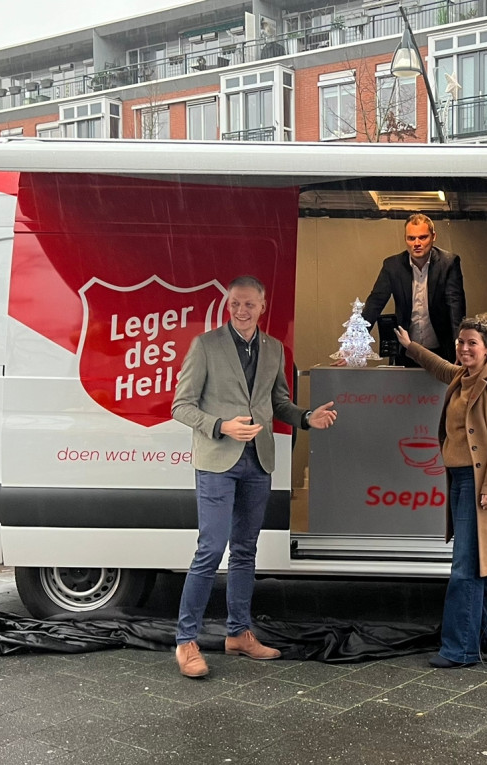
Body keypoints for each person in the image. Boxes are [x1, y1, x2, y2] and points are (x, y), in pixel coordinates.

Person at [170, 275, 338, 679]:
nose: (241, 311)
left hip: (257, 462)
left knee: (245, 551)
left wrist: (306, 417)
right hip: (217, 462)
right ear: (228, 305)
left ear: (263, 306)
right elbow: (181, 405)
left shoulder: (274, 349)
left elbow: (277, 401)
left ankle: (239, 634)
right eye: (235, 304)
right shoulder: (205, 346)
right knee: (210, 550)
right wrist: (221, 425)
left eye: (249, 305)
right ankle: (186, 641)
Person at [394, 313, 487, 668]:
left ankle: (459, 649)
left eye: (472, 344)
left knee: (465, 565)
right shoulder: (462, 378)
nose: (464, 349)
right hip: (462, 479)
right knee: (479, 563)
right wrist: (410, 347)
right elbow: (438, 367)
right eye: (460, 342)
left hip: (479, 483)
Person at [362, 213, 466, 367]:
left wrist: (460, 345)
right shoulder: (393, 266)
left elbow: (455, 307)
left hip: (442, 350)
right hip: (407, 349)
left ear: (433, 236)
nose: (417, 243)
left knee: (443, 391)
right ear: (405, 239)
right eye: (411, 238)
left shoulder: (448, 263)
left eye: (423, 237)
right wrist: (355, 342)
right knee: (405, 392)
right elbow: (374, 303)